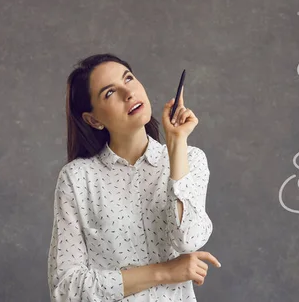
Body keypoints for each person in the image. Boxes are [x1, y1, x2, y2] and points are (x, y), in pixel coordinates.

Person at [48, 53, 221, 301]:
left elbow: (188, 240)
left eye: (128, 79)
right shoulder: (77, 179)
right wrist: (164, 272)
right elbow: (65, 289)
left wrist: (176, 145)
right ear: (93, 119)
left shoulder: (190, 159)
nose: (127, 93)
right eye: (109, 93)